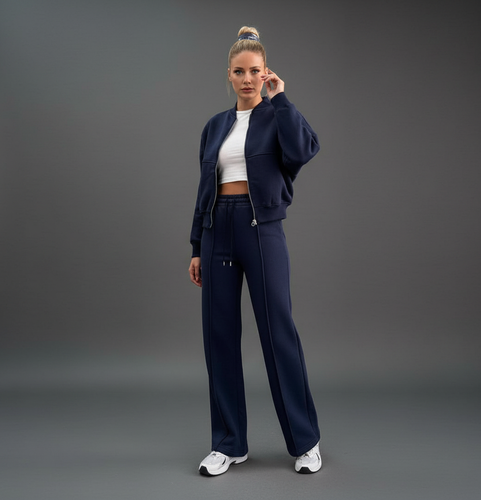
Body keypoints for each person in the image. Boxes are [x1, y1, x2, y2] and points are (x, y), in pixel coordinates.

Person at [188, 26, 321, 476]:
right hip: (217, 230)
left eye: (256, 71)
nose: (248, 79)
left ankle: (306, 442)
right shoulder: (215, 126)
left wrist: (281, 100)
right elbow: (204, 190)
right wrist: (196, 245)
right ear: (229, 75)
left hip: (261, 229)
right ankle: (228, 443)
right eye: (239, 72)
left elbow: (303, 151)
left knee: (278, 334)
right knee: (219, 338)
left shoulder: (277, 116)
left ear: (267, 74)